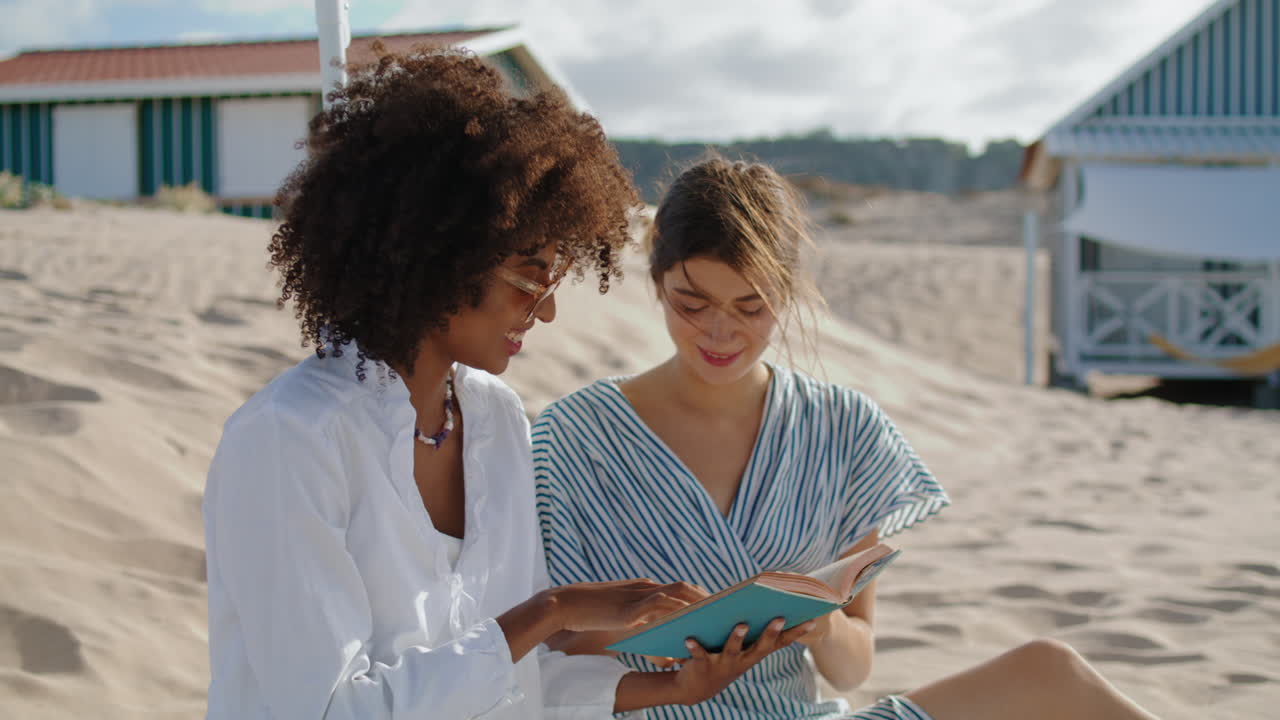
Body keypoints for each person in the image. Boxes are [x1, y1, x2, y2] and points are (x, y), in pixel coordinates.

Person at [202, 50, 811, 720]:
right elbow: (330, 710)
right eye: (529, 279)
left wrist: (672, 688)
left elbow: (525, 684)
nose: (545, 310)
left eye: (552, 282)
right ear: (434, 256)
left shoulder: (494, 419)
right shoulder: (289, 440)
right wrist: (555, 610)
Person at [532, 155, 1161, 720]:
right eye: (691, 303)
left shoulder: (842, 427)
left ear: (787, 291)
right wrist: (663, 633)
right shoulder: (573, 436)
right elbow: (549, 656)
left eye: (751, 307)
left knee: (1050, 671)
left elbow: (855, 668)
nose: (720, 332)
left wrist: (822, 625)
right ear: (658, 282)